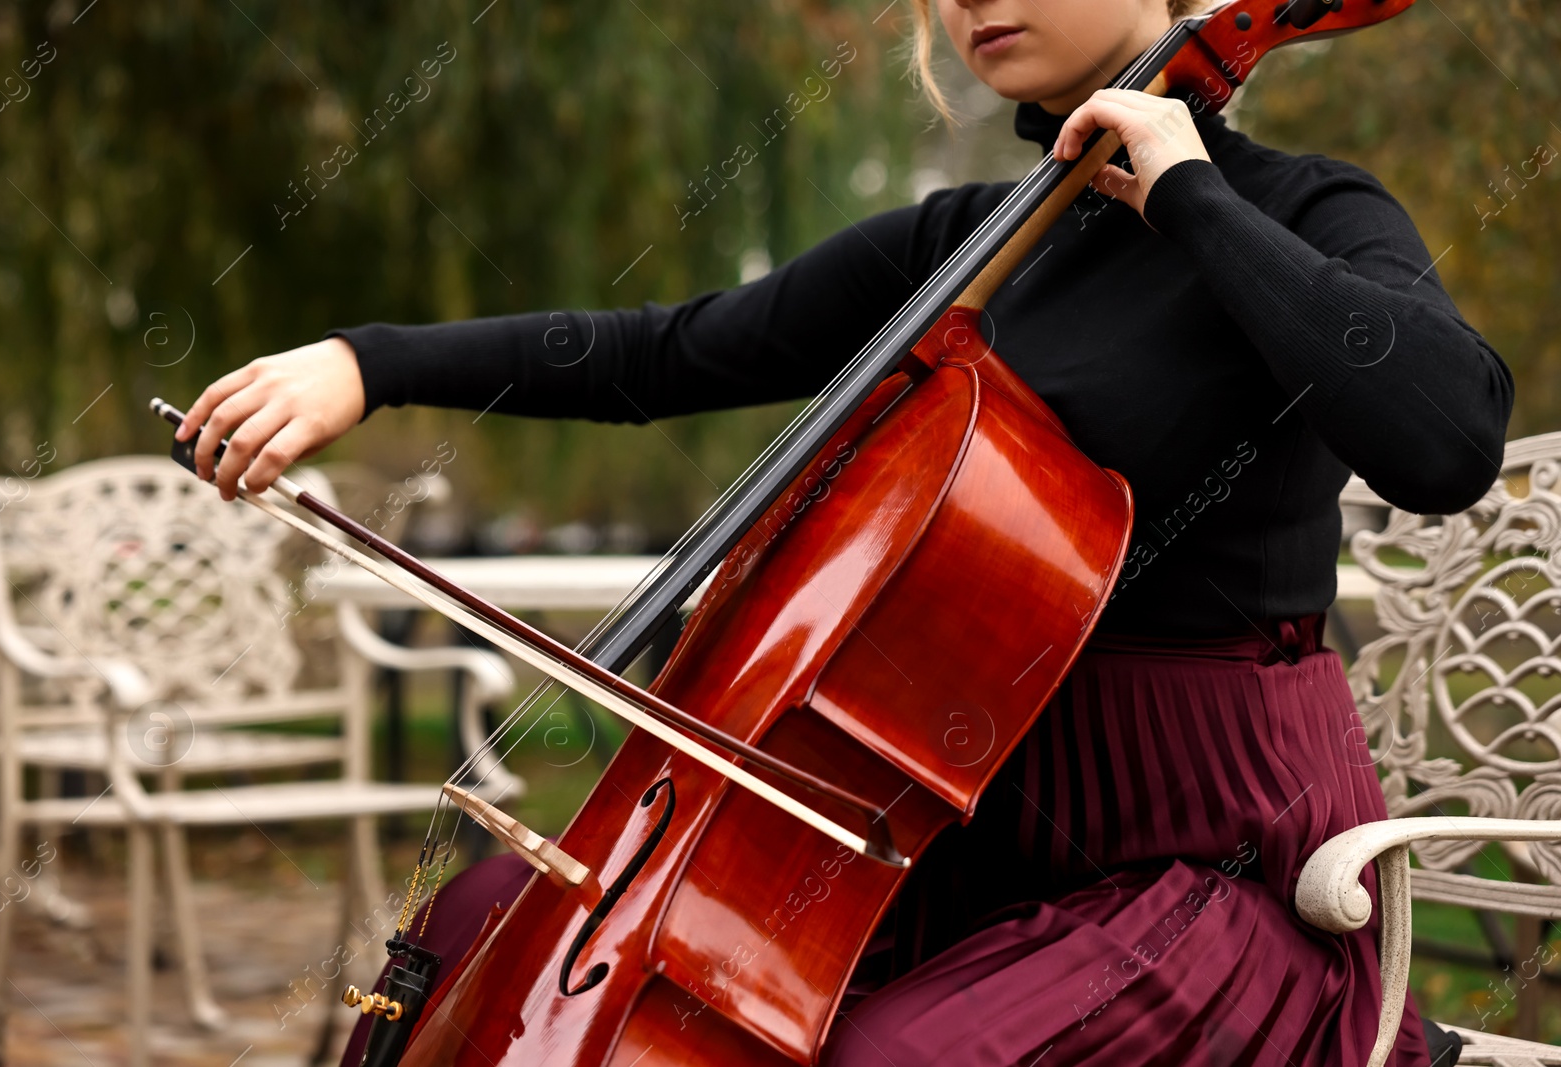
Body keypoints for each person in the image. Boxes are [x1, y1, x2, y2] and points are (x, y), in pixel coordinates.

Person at [179, 0, 1510, 1062]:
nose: (967, 1)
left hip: (1206, 866)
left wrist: (1187, 192)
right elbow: (665, 354)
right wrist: (369, 363)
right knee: (483, 931)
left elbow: (1444, 439)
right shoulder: (962, 248)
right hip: (942, 831)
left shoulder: (1303, 212)